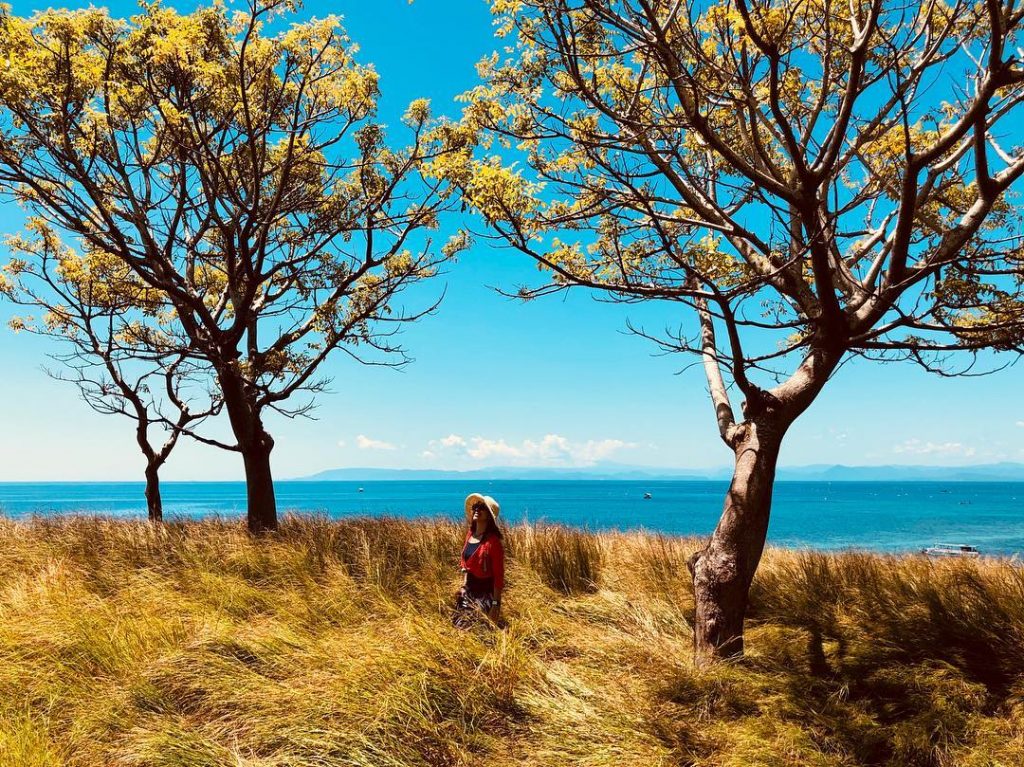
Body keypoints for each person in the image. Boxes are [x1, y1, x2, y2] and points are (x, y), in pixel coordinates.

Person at [454, 493, 505, 627]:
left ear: (489, 515)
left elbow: (498, 577)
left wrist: (495, 604)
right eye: (475, 506)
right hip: (469, 591)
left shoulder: (493, 542)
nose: (477, 509)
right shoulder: (470, 535)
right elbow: (465, 565)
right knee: (459, 628)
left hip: (484, 594)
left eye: (481, 507)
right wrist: (464, 586)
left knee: (476, 630)